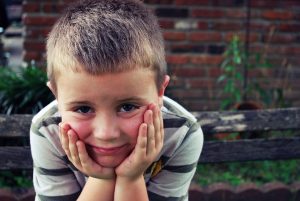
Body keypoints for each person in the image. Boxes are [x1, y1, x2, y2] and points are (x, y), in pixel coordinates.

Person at [30, 0, 204, 200]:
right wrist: (101, 180)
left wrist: (131, 178)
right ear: (57, 96)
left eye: (127, 106)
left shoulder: (181, 134)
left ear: (160, 92)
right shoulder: (48, 131)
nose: (106, 134)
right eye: (83, 109)